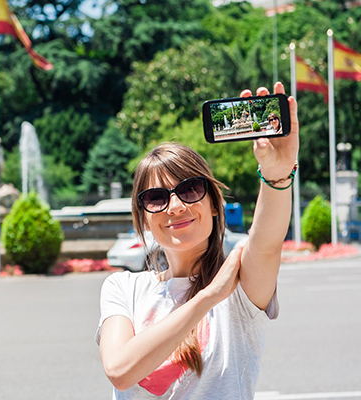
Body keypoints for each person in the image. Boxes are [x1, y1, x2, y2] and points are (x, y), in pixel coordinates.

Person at [96, 82, 299, 399]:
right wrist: (208, 297)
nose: (175, 206)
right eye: (156, 197)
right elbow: (120, 371)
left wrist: (277, 176)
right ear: (144, 215)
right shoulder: (123, 288)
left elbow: (267, 243)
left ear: (214, 205)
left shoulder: (240, 287)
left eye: (190, 190)